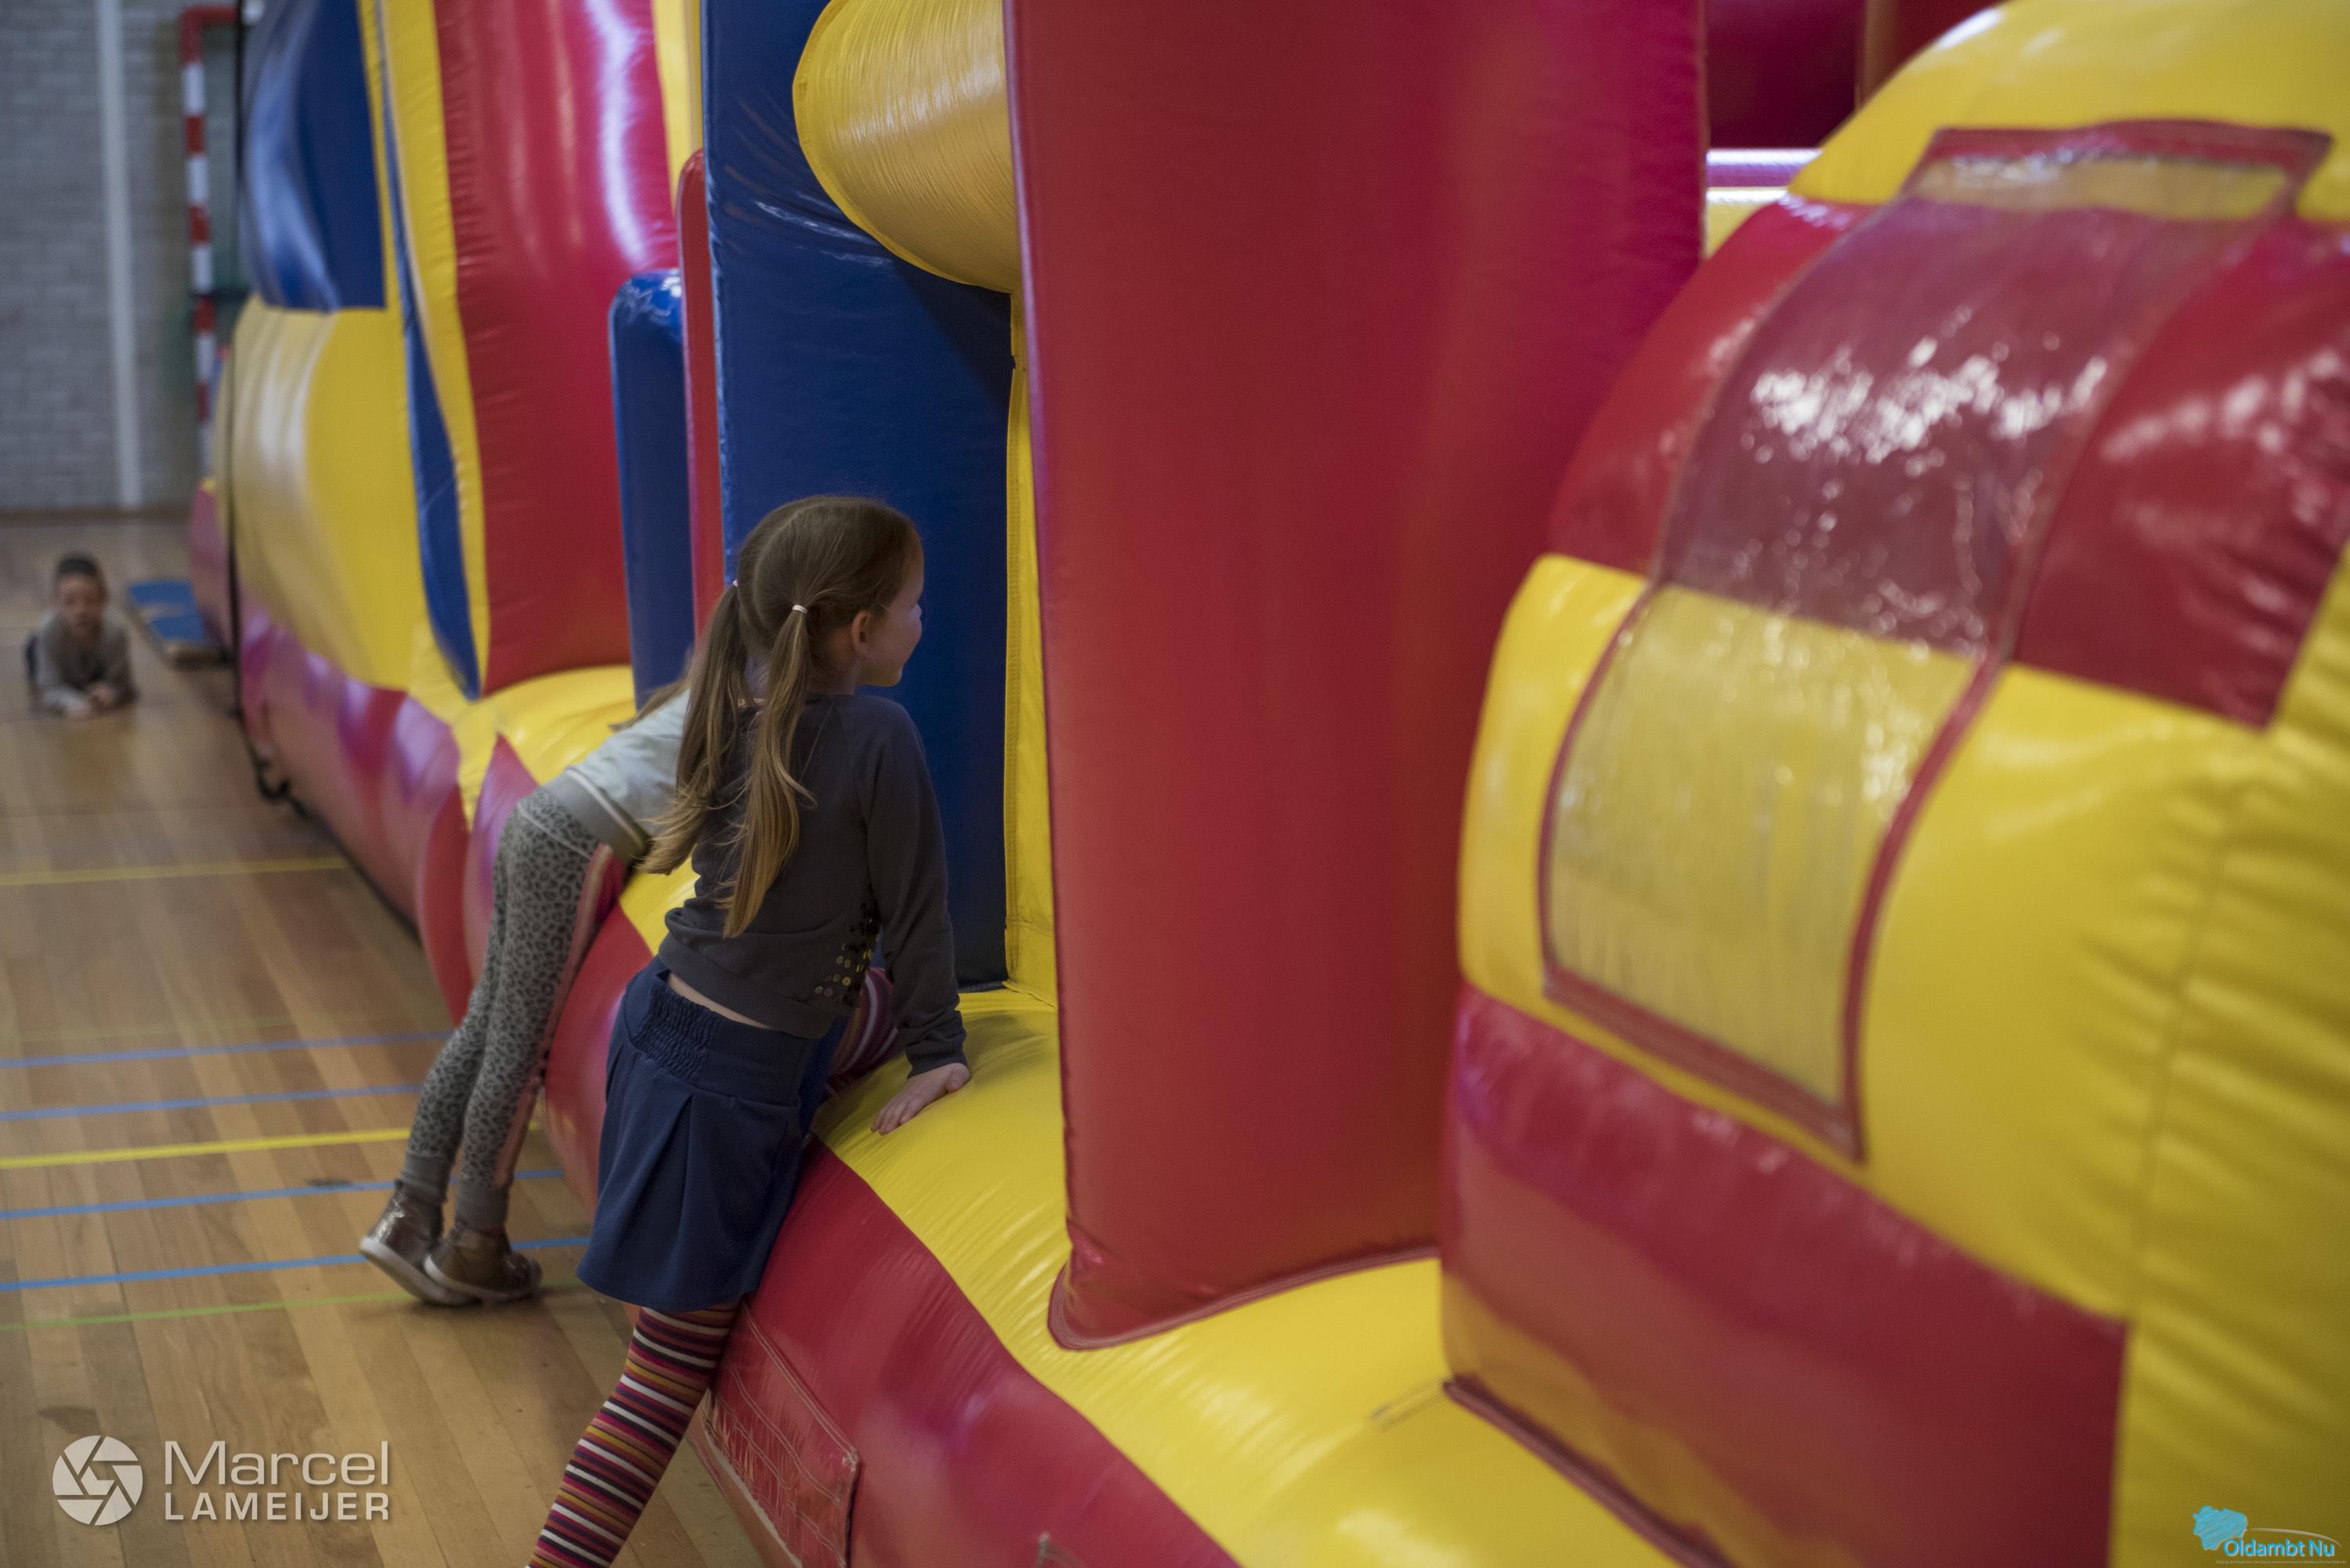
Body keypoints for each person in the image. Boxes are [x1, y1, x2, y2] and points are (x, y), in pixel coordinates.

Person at [529, 497, 969, 1568]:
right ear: (860, 628)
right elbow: (918, 910)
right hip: (723, 1094)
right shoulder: (880, 736)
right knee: (659, 1385)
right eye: (914, 604)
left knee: (851, 1003)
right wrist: (941, 1050)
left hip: (666, 1021)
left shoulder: (737, 703)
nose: (925, 618)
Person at [361, 686, 692, 1306]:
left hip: (539, 816)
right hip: (574, 845)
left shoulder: (717, 677)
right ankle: (475, 1240)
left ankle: (410, 1210)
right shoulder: (763, 698)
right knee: (519, 1047)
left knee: (486, 1024)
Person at [26, 554, 136, 719]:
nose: (80, 611)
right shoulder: (47, 632)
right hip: (52, 659)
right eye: (69, 602)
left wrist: (112, 692)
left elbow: (123, 683)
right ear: (55, 602)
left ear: (104, 598)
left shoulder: (116, 631)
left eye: (90, 600)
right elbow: (49, 688)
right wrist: (70, 702)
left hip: (91, 669)